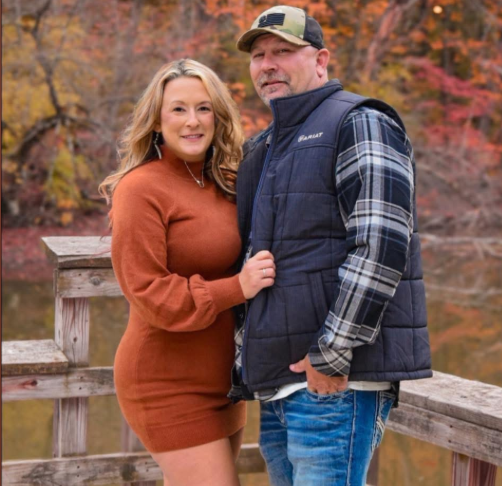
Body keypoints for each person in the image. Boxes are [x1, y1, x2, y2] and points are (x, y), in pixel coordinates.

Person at [230, 6, 432, 486]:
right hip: (282, 383)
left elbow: (382, 243)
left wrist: (332, 352)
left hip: (332, 381)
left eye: (283, 51)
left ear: (320, 60)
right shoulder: (264, 146)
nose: (268, 64)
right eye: (259, 56)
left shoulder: (359, 122)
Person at [99, 59, 276, 486]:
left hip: (225, 382)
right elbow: (150, 293)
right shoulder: (140, 189)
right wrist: (238, 287)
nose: (192, 121)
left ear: (218, 116)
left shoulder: (228, 181)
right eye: (178, 109)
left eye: (203, 108)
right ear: (157, 121)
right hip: (166, 383)